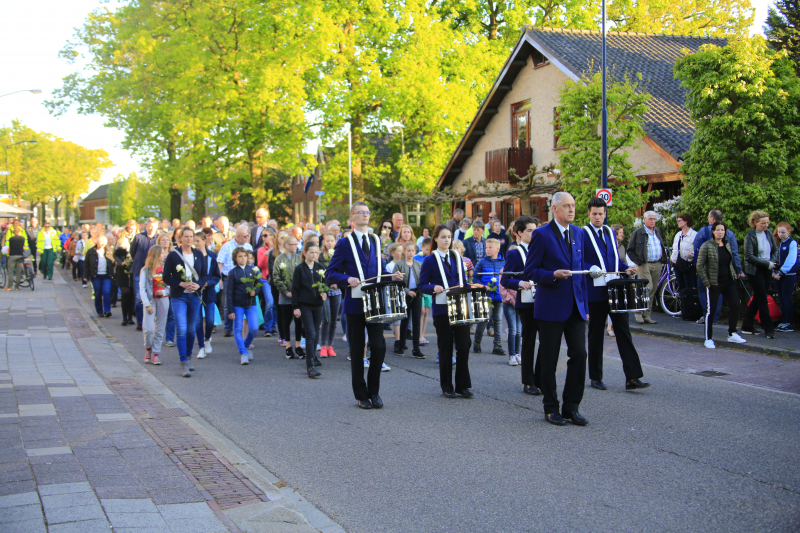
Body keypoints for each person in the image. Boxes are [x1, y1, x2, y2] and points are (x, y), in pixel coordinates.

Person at [325, 201, 402, 409]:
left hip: (375, 302)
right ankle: (361, 394)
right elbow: (329, 273)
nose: (365, 215)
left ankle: (374, 391)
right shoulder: (344, 242)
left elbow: (378, 271)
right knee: (358, 350)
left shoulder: (376, 240)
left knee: (378, 347)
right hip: (355, 304)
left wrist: (391, 276)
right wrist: (346, 279)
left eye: (367, 212)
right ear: (352, 217)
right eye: (361, 212)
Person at [524, 192, 590, 427]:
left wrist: (585, 305)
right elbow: (530, 272)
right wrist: (551, 275)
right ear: (554, 209)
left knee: (580, 354)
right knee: (549, 360)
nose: (572, 210)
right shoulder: (541, 235)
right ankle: (551, 408)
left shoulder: (579, 233)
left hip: (575, 307)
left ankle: (571, 407)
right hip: (551, 307)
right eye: (566, 206)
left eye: (573, 205)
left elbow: (580, 271)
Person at [582, 198, 650, 391]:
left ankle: (633, 377)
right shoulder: (582, 233)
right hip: (595, 291)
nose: (597, 217)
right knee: (596, 334)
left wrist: (626, 268)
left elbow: (614, 260)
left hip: (615, 289)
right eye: (594, 213)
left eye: (601, 214)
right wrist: (590, 268)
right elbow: (576, 260)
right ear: (589, 214)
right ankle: (596, 377)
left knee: (624, 332)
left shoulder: (610, 233)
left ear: (605, 214)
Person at [420, 224, 474, 398]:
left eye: (449, 237)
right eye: (443, 237)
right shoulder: (430, 259)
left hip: (460, 306)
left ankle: (462, 385)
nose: (447, 240)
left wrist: (473, 287)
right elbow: (422, 286)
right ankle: (447, 386)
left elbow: (463, 282)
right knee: (445, 347)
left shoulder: (457, 257)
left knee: (464, 345)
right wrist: (433, 287)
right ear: (435, 239)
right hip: (442, 309)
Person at [500, 216, 541, 392]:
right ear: (519, 233)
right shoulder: (514, 253)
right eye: (530, 230)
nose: (534, 233)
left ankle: (541, 378)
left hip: (543, 300)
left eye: (535, 229)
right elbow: (505, 279)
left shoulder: (540, 249)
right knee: (529, 340)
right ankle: (528, 381)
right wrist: (519, 284)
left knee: (546, 342)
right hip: (526, 302)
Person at [163, 227, 207, 378]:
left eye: (191, 237)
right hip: (179, 296)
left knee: (191, 329)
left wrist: (199, 284)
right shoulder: (173, 255)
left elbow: (204, 275)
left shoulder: (199, 254)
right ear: (180, 238)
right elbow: (166, 277)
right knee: (181, 328)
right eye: (186, 236)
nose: (189, 239)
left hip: (194, 296)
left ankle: (188, 357)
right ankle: (183, 362)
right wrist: (180, 284)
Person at [697, 221, 747, 348]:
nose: (720, 232)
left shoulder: (727, 244)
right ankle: (708, 338)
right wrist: (707, 282)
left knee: (735, 305)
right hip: (714, 282)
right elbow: (700, 265)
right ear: (713, 231)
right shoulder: (706, 246)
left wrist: (734, 273)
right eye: (718, 230)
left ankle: (732, 333)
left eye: (723, 230)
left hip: (728, 281)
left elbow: (730, 262)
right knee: (711, 310)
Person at [693, 209, 744, 324]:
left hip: (707, 269)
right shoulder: (729, 233)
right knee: (720, 291)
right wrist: (739, 270)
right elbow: (734, 253)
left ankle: (707, 315)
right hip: (724, 270)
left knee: (703, 289)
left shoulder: (704, 231)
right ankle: (715, 316)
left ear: (711, 218)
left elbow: (696, 247)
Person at [742, 211, 779, 338]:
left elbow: (775, 249)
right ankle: (768, 328)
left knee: (759, 296)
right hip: (754, 270)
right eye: (763, 223)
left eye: (768, 223)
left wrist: (772, 262)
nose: (766, 225)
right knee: (763, 297)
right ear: (755, 222)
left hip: (767, 268)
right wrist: (767, 263)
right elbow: (749, 256)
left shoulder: (768, 233)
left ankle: (747, 325)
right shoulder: (750, 236)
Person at [292, 241, 327, 377]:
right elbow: (295, 289)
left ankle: (313, 357)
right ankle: (310, 365)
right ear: (305, 253)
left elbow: (325, 284)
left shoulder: (320, 267)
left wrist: (324, 293)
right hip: (304, 305)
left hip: (317, 305)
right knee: (310, 333)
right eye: (311, 252)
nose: (314, 255)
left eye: (316, 252)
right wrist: (295, 306)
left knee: (316, 332)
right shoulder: (300, 269)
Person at [626, 211, 666, 324]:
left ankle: (647, 315)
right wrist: (638, 262)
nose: (653, 221)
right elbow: (630, 250)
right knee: (646, 287)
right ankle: (639, 312)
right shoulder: (638, 232)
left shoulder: (657, 231)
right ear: (644, 219)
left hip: (657, 263)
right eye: (650, 219)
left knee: (653, 290)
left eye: (654, 219)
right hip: (644, 264)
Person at [226, 246, 260, 365]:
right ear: (235, 258)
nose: (243, 258)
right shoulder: (232, 273)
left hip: (251, 304)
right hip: (238, 305)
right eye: (240, 256)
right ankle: (243, 353)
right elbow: (229, 293)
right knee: (238, 329)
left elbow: (259, 286)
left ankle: (245, 346)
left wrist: (255, 292)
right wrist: (230, 310)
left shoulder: (253, 270)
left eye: (245, 256)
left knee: (254, 327)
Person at [217, 226, 253, 337]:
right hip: (229, 277)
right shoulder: (227, 246)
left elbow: (251, 263)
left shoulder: (248, 246)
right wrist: (219, 279)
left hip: (245, 278)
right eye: (245, 236)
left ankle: (246, 329)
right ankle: (228, 328)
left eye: (248, 235)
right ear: (237, 237)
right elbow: (219, 262)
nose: (247, 237)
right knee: (229, 302)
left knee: (246, 302)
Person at [473, 238, 506, 355]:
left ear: (498, 249)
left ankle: (497, 344)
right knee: (483, 319)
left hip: (499, 295)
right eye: (486, 247)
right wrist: (482, 286)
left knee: (498, 320)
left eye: (490, 247)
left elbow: (506, 278)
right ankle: (477, 341)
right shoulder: (481, 262)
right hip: (485, 295)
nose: (487, 249)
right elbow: (475, 278)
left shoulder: (503, 263)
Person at [393, 241, 425, 359]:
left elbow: (422, 279)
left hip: (416, 294)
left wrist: (420, 290)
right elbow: (396, 282)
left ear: (415, 252)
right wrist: (407, 291)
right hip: (404, 295)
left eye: (413, 251)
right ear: (404, 252)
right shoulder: (399, 265)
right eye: (408, 250)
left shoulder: (418, 264)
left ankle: (416, 348)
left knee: (417, 321)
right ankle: (401, 346)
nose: (411, 253)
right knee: (404, 321)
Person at [273, 236, 304, 358]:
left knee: (298, 320)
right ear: (287, 246)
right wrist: (285, 291)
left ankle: (298, 345)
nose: (296, 247)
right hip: (285, 295)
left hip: (297, 295)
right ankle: (288, 346)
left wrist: (297, 292)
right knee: (286, 320)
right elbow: (276, 277)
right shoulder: (279, 259)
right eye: (294, 244)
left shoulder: (299, 258)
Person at [139, 245, 168, 365]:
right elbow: (142, 288)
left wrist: (165, 291)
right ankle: (148, 348)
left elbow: (171, 284)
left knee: (160, 328)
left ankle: (156, 353)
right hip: (150, 301)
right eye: (162, 253)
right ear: (156, 255)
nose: (164, 255)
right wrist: (146, 304)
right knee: (149, 329)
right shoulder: (145, 270)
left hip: (163, 300)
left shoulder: (166, 268)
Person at [130, 218, 160, 331]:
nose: (151, 228)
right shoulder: (138, 237)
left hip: (154, 272)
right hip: (139, 270)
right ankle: (140, 321)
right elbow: (132, 252)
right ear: (146, 226)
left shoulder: (158, 239)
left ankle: (152, 321)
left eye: (154, 226)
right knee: (139, 297)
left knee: (153, 296)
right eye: (149, 226)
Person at [195, 231, 220, 359]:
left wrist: (208, 283)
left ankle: (207, 339)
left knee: (210, 320)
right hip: (195, 293)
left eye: (197, 241)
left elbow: (216, 276)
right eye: (194, 241)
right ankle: (201, 347)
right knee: (198, 321)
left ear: (204, 241)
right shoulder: (192, 256)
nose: (195, 244)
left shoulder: (212, 256)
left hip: (209, 292)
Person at [318, 232, 342, 357]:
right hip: (325, 291)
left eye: (332, 241)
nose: (330, 243)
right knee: (326, 319)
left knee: (333, 320)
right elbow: (320, 274)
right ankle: (323, 345)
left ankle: (330, 345)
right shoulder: (321, 257)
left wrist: (338, 283)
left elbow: (342, 271)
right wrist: (326, 286)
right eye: (327, 241)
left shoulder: (339, 255)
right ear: (324, 242)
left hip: (336, 290)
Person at [773, 222, 797, 332]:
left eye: (783, 232)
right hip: (778, 274)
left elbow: (791, 259)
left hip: (788, 274)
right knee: (781, 298)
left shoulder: (792, 243)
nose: (781, 234)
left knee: (786, 298)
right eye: (779, 232)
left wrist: (781, 272)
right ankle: (783, 321)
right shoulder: (778, 244)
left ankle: (788, 322)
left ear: (789, 232)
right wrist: (773, 272)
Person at [84, 236, 113, 317]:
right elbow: (86, 264)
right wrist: (85, 275)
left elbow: (113, 262)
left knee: (106, 292)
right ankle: (99, 310)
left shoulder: (110, 251)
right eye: (100, 244)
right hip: (95, 275)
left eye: (103, 244)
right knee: (98, 293)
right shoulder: (91, 251)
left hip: (107, 275)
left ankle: (107, 310)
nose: (102, 246)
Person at [256, 228, 277, 338]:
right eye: (262, 236)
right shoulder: (261, 250)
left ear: (272, 236)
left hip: (276, 278)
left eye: (266, 235)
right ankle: (268, 328)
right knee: (269, 302)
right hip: (265, 279)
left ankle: (273, 326)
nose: (263, 238)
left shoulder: (278, 249)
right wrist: (267, 254)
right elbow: (261, 265)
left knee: (275, 303)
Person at [671, 213, 697, 298]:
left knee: (689, 287)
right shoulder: (678, 235)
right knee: (681, 287)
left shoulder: (694, 235)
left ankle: (691, 308)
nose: (678, 222)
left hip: (688, 265)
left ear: (686, 221)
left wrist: (693, 254)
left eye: (679, 220)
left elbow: (697, 249)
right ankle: (683, 308)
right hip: (677, 264)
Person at [113, 241, 135, 326]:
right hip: (123, 272)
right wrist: (122, 262)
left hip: (133, 271)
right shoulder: (121, 241)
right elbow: (115, 254)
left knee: (132, 294)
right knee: (125, 293)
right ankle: (124, 317)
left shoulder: (136, 239)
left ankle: (130, 317)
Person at [416, 237, 432, 345]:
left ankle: (422, 334)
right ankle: (418, 335)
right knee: (421, 311)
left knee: (426, 312)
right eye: (426, 249)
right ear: (422, 247)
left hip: (429, 288)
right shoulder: (416, 258)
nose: (428, 252)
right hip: (420, 287)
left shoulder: (432, 258)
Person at [4, 220, 29, 291]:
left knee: (10, 271)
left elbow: (9, 247)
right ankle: (17, 286)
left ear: (14, 232)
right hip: (20, 255)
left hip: (12, 255)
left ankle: (9, 286)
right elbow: (24, 246)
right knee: (18, 271)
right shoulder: (22, 238)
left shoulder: (11, 239)